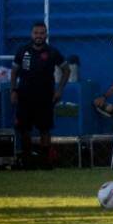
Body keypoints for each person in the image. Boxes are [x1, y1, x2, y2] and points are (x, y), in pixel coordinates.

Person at [10, 21, 69, 170]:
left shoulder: (52, 52)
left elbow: (66, 70)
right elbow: (14, 72)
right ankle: (27, 160)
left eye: (42, 33)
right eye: (36, 33)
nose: (39, 36)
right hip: (25, 96)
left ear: (46, 34)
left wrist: (59, 89)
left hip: (45, 96)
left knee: (45, 129)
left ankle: (45, 161)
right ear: (31, 34)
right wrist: (13, 90)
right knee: (24, 129)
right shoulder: (22, 51)